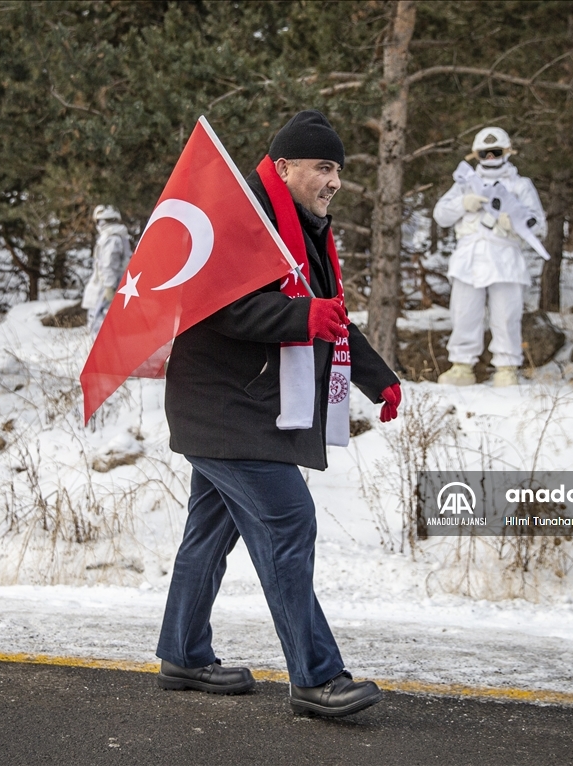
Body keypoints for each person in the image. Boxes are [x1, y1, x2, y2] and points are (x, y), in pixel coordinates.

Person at [156, 110, 401, 718]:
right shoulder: (243, 219)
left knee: (208, 535)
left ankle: (183, 653)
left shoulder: (305, 231)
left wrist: (379, 380)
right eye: (323, 167)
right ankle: (315, 678)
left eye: (338, 169)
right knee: (288, 522)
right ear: (284, 167)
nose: (334, 181)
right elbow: (211, 309)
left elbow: (327, 314)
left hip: (243, 407)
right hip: (226, 409)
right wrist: (299, 319)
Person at [433, 127, 547, 386]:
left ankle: (507, 367)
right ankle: (462, 365)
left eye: (497, 152)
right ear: (477, 155)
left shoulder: (521, 186)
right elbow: (440, 214)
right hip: (469, 257)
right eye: (486, 153)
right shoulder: (463, 184)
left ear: (508, 152)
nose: (492, 158)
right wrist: (463, 203)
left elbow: (539, 223)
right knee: (464, 313)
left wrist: (515, 222)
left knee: (506, 314)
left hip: (505, 255)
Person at [81, 205, 132, 339]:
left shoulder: (111, 239)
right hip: (114, 287)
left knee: (98, 327)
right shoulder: (119, 237)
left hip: (105, 290)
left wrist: (109, 287)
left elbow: (108, 265)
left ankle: (99, 358)